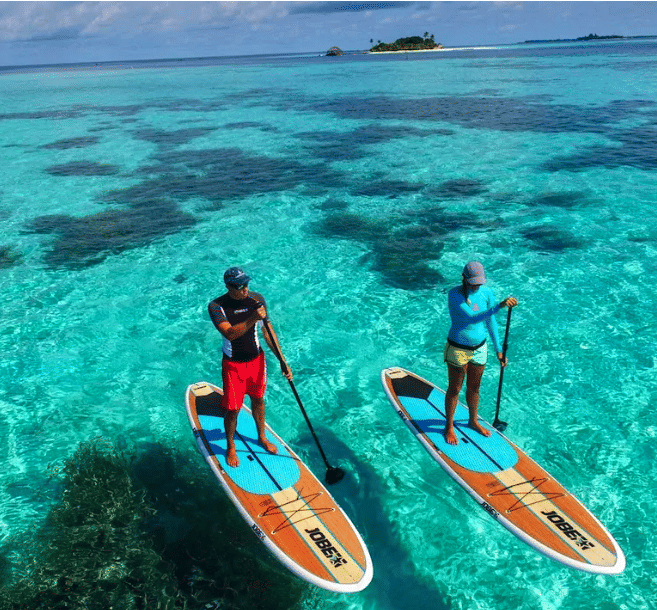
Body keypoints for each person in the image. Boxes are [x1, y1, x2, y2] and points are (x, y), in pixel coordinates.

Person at [208, 267, 292, 468]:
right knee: (233, 409)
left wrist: (282, 360)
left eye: (246, 284)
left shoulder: (257, 299)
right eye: (239, 286)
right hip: (233, 366)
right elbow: (229, 334)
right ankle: (230, 445)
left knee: (258, 399)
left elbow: (267, 332)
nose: (245, 289)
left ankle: (261, 437)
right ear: (228, 286)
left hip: (257, 362)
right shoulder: (217, 306)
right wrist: (253, 318)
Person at [443, 261, 518, 446]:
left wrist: (498, 349)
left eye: (479, 281)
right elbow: (472, 317)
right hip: (458, 348)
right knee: (455, 389)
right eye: (473, 282)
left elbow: (490, 321)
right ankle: (449, 426)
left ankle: (473, 420)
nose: (477, 285)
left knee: (474, 388)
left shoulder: (487, 292)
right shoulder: (455, 294)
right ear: (465, 279)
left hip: (480, 348)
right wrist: (500, 306)